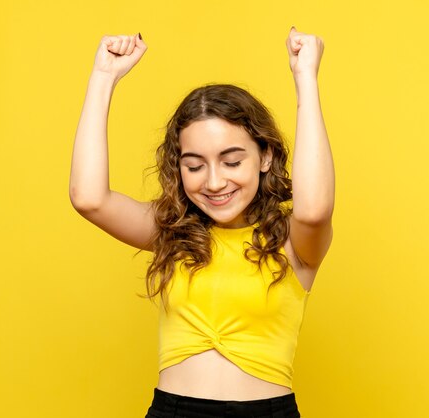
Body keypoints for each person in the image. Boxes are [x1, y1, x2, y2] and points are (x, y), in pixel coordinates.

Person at [69, 27, 334, 418]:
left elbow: (314, 209)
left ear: (264, 157)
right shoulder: (172, 232)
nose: (214, 181)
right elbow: (89, 199)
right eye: (194, 165)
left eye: (232, 161)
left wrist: (306, 80)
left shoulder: (294, 244)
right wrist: (103, 77)